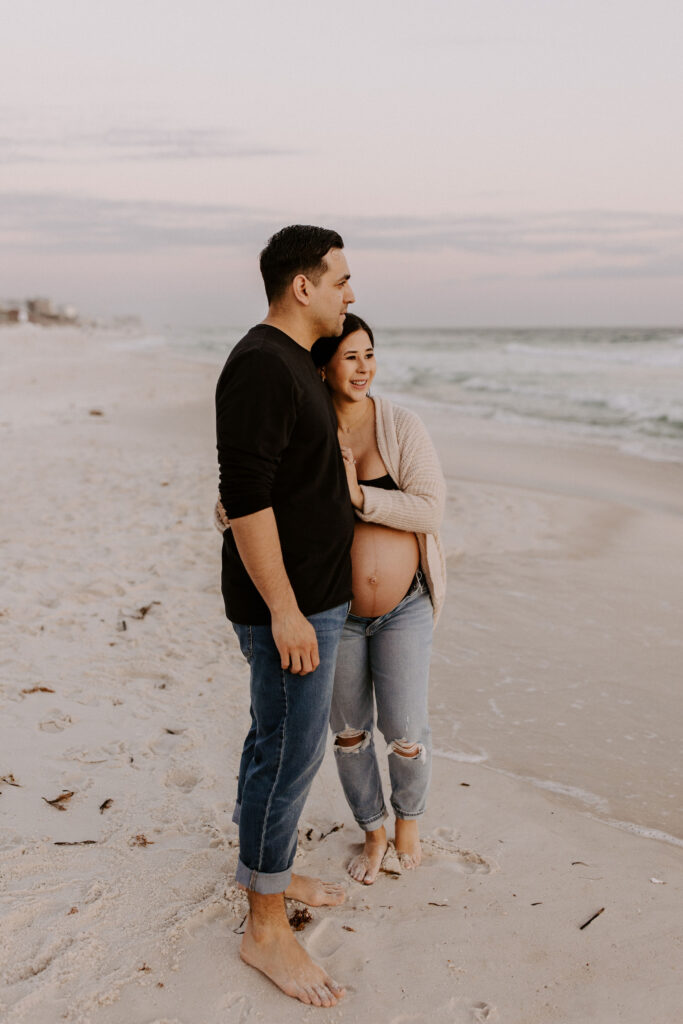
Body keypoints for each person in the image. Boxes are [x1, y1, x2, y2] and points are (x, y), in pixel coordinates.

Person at [215, 225, 356, 1007]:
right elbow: (246, 493)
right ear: (300, 286)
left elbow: (262, 478)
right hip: (290, 610)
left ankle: (261, 870)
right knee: (289, 754)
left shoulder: (292, 363)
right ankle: (264, 926)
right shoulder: (261, 365)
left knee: (271, 739)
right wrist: (285, 611)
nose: (349, 292)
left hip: (310, 601)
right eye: (339, 279)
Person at [311, 314, 446, 885]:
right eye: (350, 357)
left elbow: (429, 510)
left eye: (370, 354)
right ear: (323, 366)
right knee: (348, 733)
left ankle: (408, 822)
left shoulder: (401, 425)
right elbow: (240, 501)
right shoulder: (307, 431)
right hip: (335, 612)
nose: (364, 367)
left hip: (404, 606)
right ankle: (372, 828)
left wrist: (358, 496)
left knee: (405, 726)